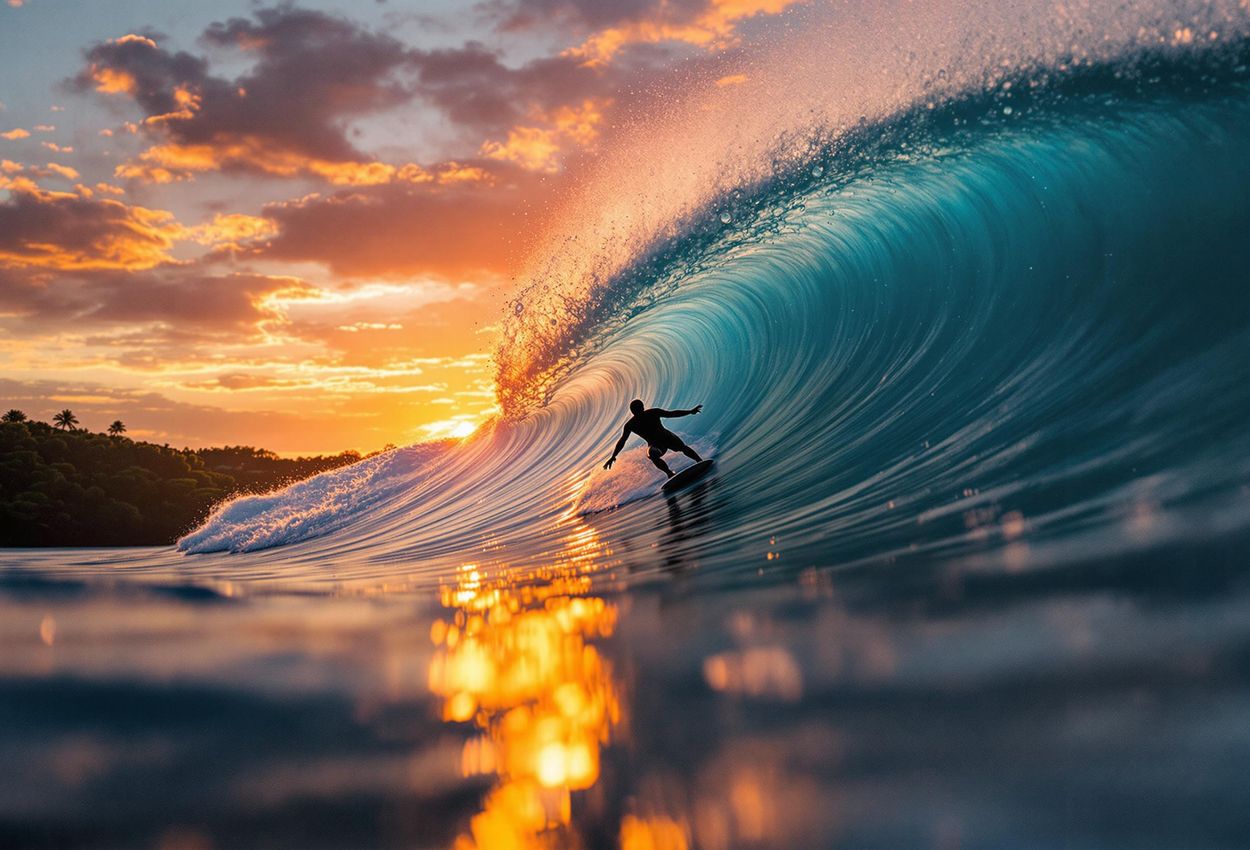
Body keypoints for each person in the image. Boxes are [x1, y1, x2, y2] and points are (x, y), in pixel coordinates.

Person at [603, 399, 703, 478]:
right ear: (633, 411)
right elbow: (622, 441)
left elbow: (672, 414)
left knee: (683, 448)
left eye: (638, 409)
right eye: (635, 410)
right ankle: (669, 473)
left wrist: (690, 412)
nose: (638, 412)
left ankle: (699, 461)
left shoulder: (652, 413)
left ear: (641, 408)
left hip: (667, 437)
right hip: (656, 445)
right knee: (652, 454)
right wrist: (613, 456)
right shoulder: (630, 425)